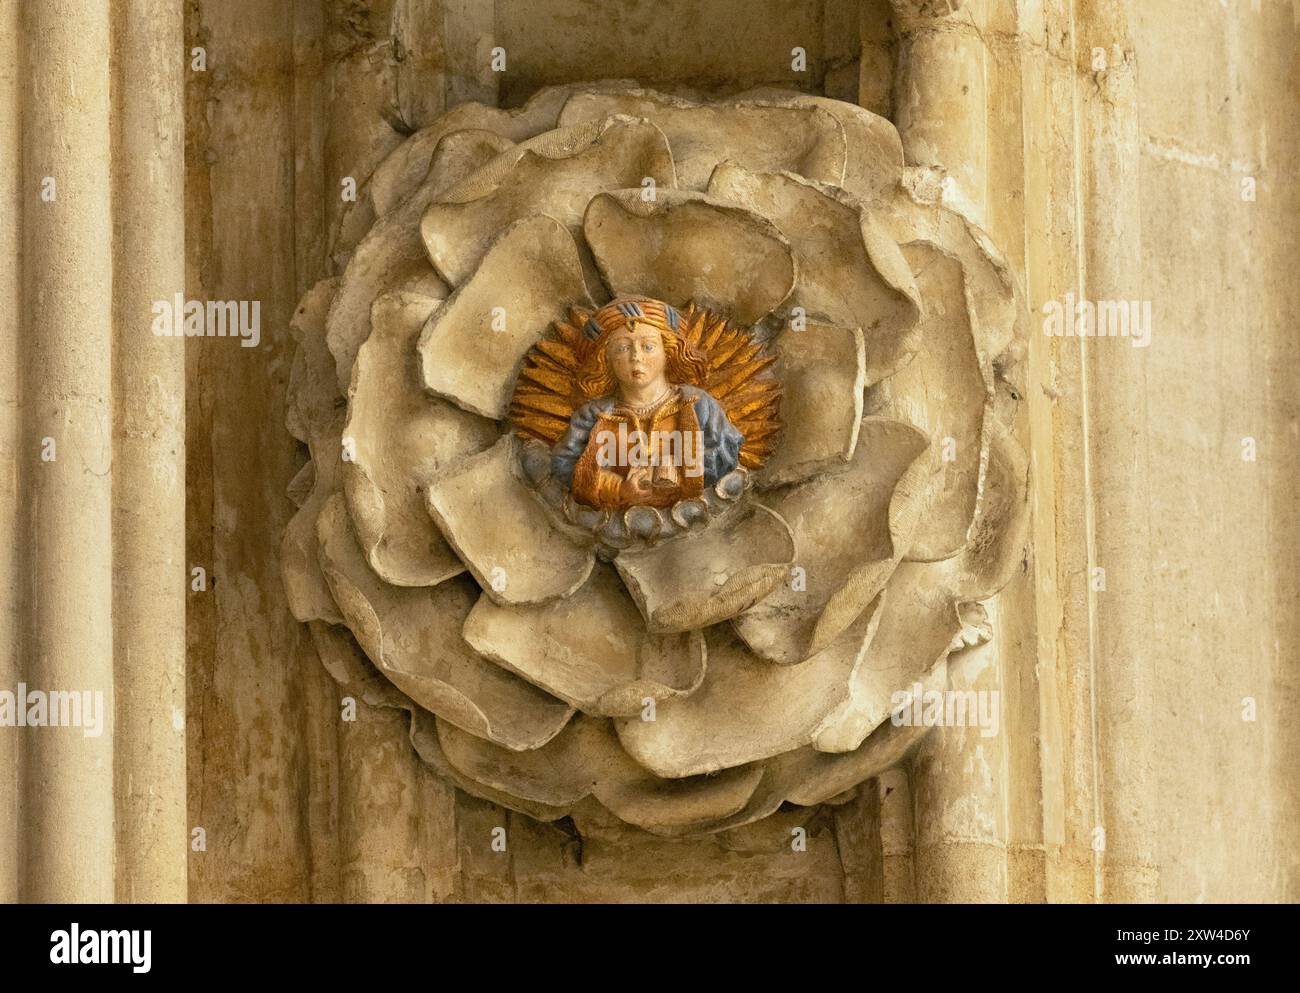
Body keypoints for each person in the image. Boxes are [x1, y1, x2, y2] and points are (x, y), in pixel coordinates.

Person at [551, 297, 743, 510]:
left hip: (689, 516)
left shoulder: (696, 403)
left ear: (668, 351)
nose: (636, 356)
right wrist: (618, 488)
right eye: (622, 348)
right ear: (605, 360)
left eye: (648, 346)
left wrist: (681, 472)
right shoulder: (594, 414)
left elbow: (728, 449)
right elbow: (565, 465)